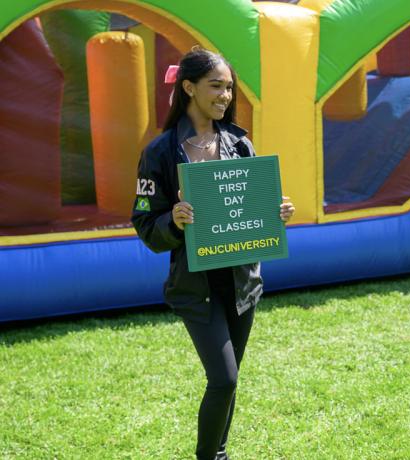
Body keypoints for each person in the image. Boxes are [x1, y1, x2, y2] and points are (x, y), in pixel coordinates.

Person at [131, 47, 295, 460]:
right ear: (188, 88)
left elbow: (252, 210)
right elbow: (147, 227)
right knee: (222, 378)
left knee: (231, 379)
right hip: (195, 287)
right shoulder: (160, 153)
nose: (225, 95)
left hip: (242, 285)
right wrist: (175, 220)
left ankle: (218, 453)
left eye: (229, 88)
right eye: (215, 86)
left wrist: (275, 214)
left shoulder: (240, 143)